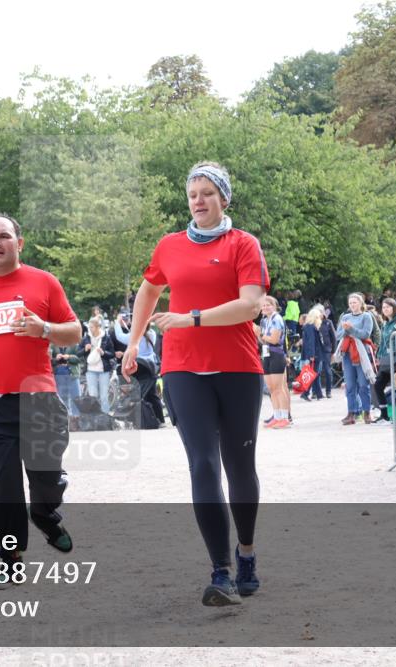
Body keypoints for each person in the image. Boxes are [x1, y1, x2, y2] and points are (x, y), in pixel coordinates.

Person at [124, 161, 268, 606]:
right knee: (203, 465)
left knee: (239, 467)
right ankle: (220, 571)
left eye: (208, 193)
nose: (199, 201)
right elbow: (148, 290)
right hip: (183, 366)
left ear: (224, 198)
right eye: (192, 194)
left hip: (238, 365)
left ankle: (246, 552)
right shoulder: (169, 246)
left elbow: (249, 305)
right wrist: (134, 342)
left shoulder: (243, 244)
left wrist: (192, 318)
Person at [0, 213, 81, 588]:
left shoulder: (44, 282)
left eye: (4, 236)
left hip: (38, 399)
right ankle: (10, 558)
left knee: (47, 481)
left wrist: (45, 329)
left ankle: (45, 512)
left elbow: (74, 331)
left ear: (19, 243)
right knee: (3, 485)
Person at [335, 292, 376, 425]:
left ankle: (367, 412)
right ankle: (351, 413)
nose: (352, 305)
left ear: (361, 303)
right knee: (350, 385)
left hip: (361, 353)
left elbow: (365, 334)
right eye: (350, 303)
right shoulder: (345, 316)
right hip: (348, 353)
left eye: (355, 302)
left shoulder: (367, 316)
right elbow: (338, 335)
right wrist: (347, 330)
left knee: (364, 384)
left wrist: (351, 329)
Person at [258, 296, 290, 427]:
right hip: (267, 354)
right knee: (271, 388)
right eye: (263, 305)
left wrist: (259, 334)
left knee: (279, 388)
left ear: (274, 306)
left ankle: (284, 417)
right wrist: (259, 335)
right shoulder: (264, 321)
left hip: (276, 355)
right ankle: (276, 416)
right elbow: (264, 341)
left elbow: (275, 340)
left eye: (268, 305)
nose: (265, 307)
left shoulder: (277, 319)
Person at [375, 298, 396, 423]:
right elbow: (382, 343)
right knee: (378, 385)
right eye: (384, 307)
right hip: (386, 360)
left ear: (394, 308)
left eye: (388, 307)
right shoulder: (385, 324)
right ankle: (384, 415)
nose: (386, 309)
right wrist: (379, 356)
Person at [79, 316, 116, 415]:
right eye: (89, 327)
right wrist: (85, 349)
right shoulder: (86, 338)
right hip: (90, 370)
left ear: (97, 327)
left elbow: (112, 353)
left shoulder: (106, 338)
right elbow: (78, 353)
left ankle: (105, 418)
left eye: (92, 327)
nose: (90, 329)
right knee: (93, 396)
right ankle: (94, 418)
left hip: (103, 370)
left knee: (104, 396)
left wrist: (103, 353)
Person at [299, 308, 325, 401]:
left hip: (315, 353)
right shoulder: (310, 327)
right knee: (313, 374)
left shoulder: (309, 326)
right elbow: (311, 341)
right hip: (315, 354)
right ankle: (305, 393)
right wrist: (312, 355)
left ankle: (319, 394)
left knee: (315, 373)